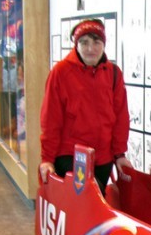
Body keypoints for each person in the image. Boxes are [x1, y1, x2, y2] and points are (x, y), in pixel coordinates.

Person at [39, 18, 132, 193]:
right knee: (81, 209)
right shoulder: (61, 73)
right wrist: (47, 159)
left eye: (96, 42)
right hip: (71, 157)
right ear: (76, 45)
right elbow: (51, 119)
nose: (91, 49)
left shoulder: (113, 74)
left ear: (104, 44)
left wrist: (119, 154)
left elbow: (121, 117)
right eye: (84, 42)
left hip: (103, 158)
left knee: (98, 212)